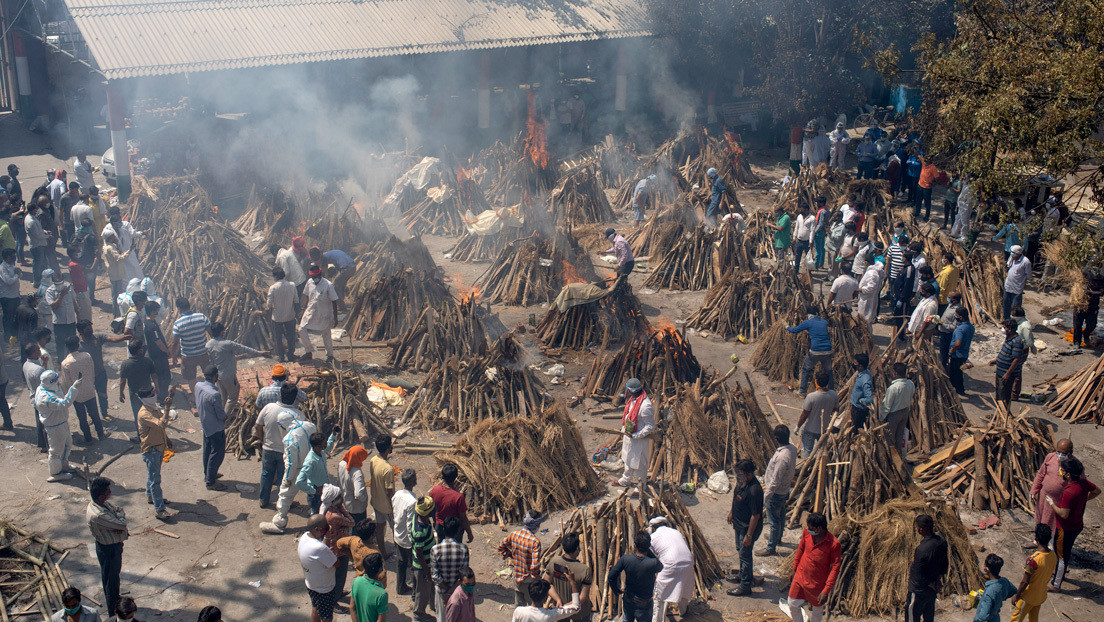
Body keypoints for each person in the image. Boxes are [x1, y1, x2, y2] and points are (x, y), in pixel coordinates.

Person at [1047, 456, 1099, 591]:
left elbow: (1063, 513)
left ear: (1068, 474)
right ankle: (1060, 574)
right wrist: (1083, 500)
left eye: (1062, 470)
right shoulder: (1083, 484)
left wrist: (1052, 504)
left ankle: (1055, 584)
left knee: (1061, 556)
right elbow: (1097, 491)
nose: (1060, 472)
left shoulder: (1069, 492)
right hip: (1077, 525)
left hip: (1065, 528)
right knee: (1066, 552)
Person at [786, 512, 841, 622]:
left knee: (817, 610)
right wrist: (794, 568)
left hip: (817, 582)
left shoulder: (833, 544)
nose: (808, 529)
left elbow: (835, 568)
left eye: (811, 527)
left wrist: (826, 590)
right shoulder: (807, 532)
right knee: (792, 603)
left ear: (818, 529)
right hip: (800, 576)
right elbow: (801, 549)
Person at [254, 383, 303, 508]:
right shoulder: (297, 414)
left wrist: (261, 440)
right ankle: (284, 503)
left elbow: (258, 425)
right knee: (283, 477)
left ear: (280, 394)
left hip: (268, 448)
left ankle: (263, 500)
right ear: (294, 398)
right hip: (285, 451)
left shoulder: (268, 407)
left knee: (266, 474)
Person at [87, 477, 127, 616]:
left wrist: (118, 519)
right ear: (101, 496)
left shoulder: (103, 504)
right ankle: (113, 612)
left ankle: (115, 600)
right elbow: (122, 524)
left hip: (113, 546)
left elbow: (118, 510)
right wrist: (119, 520)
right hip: (108, 550)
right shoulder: (98, 515)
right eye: (108, 491)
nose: (110, 493)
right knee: (111, 582)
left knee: (113, 577)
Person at [206, 320, 266, 411]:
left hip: (217, 375)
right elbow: (245, 349)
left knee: (223, 397)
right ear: (222, 332)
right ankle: (225, 418)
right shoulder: (228, 344)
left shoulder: (208, 344)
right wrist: (260, 353)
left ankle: (220, 415)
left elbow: (210, 360)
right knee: (233, 397)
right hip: (229, 375)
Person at [36, 369, 81, 481]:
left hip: (61, 423)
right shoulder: (46, 397)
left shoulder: (45, 388)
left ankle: (64, 466)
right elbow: (64, 403)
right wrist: (74, 388)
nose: (58, 381)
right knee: (56, 451)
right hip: (55, 426)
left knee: (67, 444)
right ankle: (55, 474)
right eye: (55, 380)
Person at [727, 459, 764, 596]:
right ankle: (741, 575)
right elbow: (735, 496)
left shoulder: (754, 490)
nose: (738, 476)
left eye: (741, 473)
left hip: (747, 528)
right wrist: (731, 512)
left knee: (745, 555)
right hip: (739, 524)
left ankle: (745, 586)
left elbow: (756, 516)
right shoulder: (742, 483)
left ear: (749, 474)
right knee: (740, 551)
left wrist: (749, 536)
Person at [136, 386, 173, 520]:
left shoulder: (153, 408)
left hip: (158, 447)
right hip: (151, 450)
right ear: (146, 397)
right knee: (155, 480)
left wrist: (167, 439)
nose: (155, 395)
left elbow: (160, 430)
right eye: (152, 394)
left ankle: (151, 497)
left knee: (151, 475)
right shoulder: (144, 413)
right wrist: (167, 407)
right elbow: (161, 424)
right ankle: (160, 509)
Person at [760, 426, 797, 557]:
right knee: (781, 515)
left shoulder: (782, 457)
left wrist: (766, 496)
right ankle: (778, 538)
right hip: (784, 489)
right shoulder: (792, 449)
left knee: (773, 521)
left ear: (776, 438)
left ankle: (771, 547)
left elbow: (775, 480)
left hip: (776, 492)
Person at [612, 378, 654, 494]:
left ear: (631, 390)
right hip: (628, 437)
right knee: (628, 459)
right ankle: (625, 480)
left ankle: (641, 485)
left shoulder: (646, 406)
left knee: (640, 463)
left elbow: (650, 426)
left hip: (638, 440)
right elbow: (628, 417)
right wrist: (623, 431)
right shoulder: (633, 400)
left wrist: (636, 435)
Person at [608, 531, 662, 622]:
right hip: (645, 603)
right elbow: (660, 566)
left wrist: (617, 590)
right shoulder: (653, 563)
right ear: (648, 546)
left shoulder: (626, 559)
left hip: (629, 600)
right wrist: (648, 550)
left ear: (634, 545)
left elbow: (611, 577)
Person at [648, 516, 695, 620]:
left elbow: (649, 554)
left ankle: (657, 620)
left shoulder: (653, 536)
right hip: (688, 562)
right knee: (684, 587)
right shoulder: (676, 532)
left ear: (653, 527)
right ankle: (683, 611)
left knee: (660, 595)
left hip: (670, 564)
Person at [60, 334, 103, 443]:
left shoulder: (65, 363)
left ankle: (88, 438)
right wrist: (91, 383)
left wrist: (68, 395)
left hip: (77, 395)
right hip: (89, 390)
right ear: (78, 345)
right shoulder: (87, 356)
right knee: (94, 414)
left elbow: (66, 382)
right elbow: (92, 371)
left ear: (67, 346)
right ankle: (101, 434)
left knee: (82, 417)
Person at [905, 514, 948, 622]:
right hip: (932, 589)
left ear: (921, 529)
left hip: (919, 591)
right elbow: (945, 564)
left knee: (912, 618)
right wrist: (935, 581)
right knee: (929, 617)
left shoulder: (921, 550)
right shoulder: (941, 542)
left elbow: (918, 573)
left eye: (917, 527)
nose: (916, 528)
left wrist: (927, 583)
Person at [543, 532, 593, 622]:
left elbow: (546, 584)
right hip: (580, 613)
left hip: (560, 612)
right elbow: (583, 598)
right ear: (577, 549)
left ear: (563, 547)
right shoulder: (584, 569)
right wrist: (567, 605)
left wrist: (558, 601)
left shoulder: (554, 562)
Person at [1011, 524, 1056, 622]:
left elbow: (1025, 581)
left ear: (1036, 538)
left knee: (1016, 619)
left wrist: (1017, 596)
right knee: (1033, 619)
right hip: (1040, 595)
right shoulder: (1053, 556)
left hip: (1028, 597)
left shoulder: (1033, 560)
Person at [170, 297, 211, 407]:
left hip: (188, 355)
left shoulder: (178, 324)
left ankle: (196, 398)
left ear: (179, 308)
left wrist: (173, 356)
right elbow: (211, 332)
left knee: (191, 378)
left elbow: (175, 343)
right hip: (203, 352)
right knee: (208, 374)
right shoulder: (202, 317)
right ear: (189, 305)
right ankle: (211, 393)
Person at [300, 514, 340, 622]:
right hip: (324, 589)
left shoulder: (304, 537)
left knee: (316, 608)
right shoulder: (320, 548)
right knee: (327, 617)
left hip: (311, 584)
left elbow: (322, 551)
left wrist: (326, 536)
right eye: (325, 530)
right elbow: (336, 563)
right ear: (317, 529)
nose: (326, 531)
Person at [500, 510, 544, 605]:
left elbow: (501, 546)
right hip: (528, 581)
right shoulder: (535, 542)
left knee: (519, 606)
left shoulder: (514, 534)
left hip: (516, 577)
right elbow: (535, 565)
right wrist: (535, 575)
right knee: (533, 607)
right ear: (536, 525)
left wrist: (510, 555)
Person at [195, 365, 228, 490]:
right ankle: (210, 481)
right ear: (215, 376)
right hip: (216, 428)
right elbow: (220, 414)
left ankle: (208, 474)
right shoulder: (214, 394)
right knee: (217, 454)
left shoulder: (198, 386)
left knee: (207, 450)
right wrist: (226, 417)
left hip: (206, 425)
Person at [432, 517, 470, 622]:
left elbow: (435, 576)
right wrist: (451, 591)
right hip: (457, 591)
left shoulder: (435, 550)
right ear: (457, 532)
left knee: (442, 618)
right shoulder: (463, 549)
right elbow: (464, 575)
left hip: (441, 591)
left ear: (443, 530)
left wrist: (446, 592)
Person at [787, 306, 832, 394]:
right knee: (829, 372)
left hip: (815, 350)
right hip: (828, 350)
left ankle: (802, 392)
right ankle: (831, 392)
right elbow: (818, 332)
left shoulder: (807, 322)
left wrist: (787, 327)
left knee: (805, 369)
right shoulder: (824, 322)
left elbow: (794, 330)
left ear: (809, 315)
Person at [1031, 439, 1073, 533]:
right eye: (1058, 452)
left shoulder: (1075, 465)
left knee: (1053, 523)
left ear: (1070, 452)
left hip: (1059, 501)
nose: (1060, 455)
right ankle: (1038, 540)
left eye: (1064, 453)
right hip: (1044, 496)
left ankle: (1049, 543)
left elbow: (1079, 485)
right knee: (1040, 519)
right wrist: (1034, 490)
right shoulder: (1050, 457)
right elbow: (1041, 474)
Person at [321, 484, 356, 596]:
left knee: (335, 576)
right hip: (338, 550)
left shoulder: (326, 509)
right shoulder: (335, 516)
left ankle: (338, 592)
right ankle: (335, 598)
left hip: (332, 547)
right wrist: (343, 510)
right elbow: (351, 522)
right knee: (340, 575)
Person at [299, 264, 339, 362]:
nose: (314, 278)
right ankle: (309, 351)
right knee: (301, 329)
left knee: (326, 335)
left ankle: (330, 355)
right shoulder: (309, 282)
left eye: (316, 277)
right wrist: (303, 308)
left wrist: (335, 317)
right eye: (313, 277)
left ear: (320, 275)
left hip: (324, 314)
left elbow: (334, 301)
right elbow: (307, 296)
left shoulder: (328, 285)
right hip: (311, 311)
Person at [118, 340, 157, 439]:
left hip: (135, 395)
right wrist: (157, 388)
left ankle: (140, 436)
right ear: (139, 351)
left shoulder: (126, 364)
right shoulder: (148, 361)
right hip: (148, 393)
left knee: (138, 415)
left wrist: (121, 393)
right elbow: (154, 376)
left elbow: (123, 381)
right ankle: (152, 434)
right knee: (150, 413)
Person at [336, 519, 388, 587]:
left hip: (360, 580)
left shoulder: (354, 541)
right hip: (372, 584)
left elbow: (339, 543)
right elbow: (382, 575)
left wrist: (352, 558)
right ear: (372, 535)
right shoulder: (374, 553)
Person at [297, 429, 339, 513]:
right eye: (324, 443)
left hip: (324, 490)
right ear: (318, 446)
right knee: (318, 517)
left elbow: (329, 447)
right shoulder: (310, 461)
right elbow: (299, 482)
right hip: (315, 496)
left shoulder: (321, 452)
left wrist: (333, 434)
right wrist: (314, 491)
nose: (326, 444)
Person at [430, 464, 474, 542]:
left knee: (441, 548)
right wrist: (469, 533)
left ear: (442, 476)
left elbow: (432, 508)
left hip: (440, 526)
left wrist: (434, 521)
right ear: (456, 477)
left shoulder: (435, 490)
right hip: (455, 529)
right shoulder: (458, 497)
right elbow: (463, 517)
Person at [989, 320, 1027, 408]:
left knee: (1004, 395)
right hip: (1000, 371)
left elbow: (1016, 359)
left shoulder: (1017, 341)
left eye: (1004, 328)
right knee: (999, 394)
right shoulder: (1008, 338)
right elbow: (1006, 353)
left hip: (1006, 373)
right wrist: (996, 360)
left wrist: (1008, 374)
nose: (1003, 329)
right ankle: (999, 413)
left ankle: (1005, 414)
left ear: (1010, 329)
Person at [393, 468, 419, 594]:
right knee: (413, 565)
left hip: (398, 534)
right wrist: (414, 541)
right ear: (414, 481)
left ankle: (400, 586)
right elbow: (410, 525)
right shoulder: (413, 502)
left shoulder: (397, 494)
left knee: (401, 563)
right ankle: (414, 590)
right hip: (407, 540)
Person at [798, 371, 836, 456]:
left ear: (816, 381)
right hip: (824, 429)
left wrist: (798, 426)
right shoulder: (833, 395)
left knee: (808, 450)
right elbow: (836, 410)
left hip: (810, 429)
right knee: (822, 451)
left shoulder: (811, 397)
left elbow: (804, 415)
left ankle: (807, 467)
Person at [881, 362, 915, 459]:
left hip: (894, 414)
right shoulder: (910, 384)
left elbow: (887, 406)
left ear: (895, 373)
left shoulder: (893, 388)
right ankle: (899, 456)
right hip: (905, 412)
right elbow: (912, 395)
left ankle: (891, 458)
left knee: (890, 437)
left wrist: (882, 418)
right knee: (899, 435)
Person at [77, 320, 110, 419]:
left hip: (100, 373)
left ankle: (104, 413)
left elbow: (112, 339)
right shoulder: (77, 344)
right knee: (89, 398)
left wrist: (125, 337)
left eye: (91, 328)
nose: (91, 330)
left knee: (103, 395)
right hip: (87, 377)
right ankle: (92, 416)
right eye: (88, 329)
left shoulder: (97, 338)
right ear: (81, 331)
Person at [412, 496, 438, 618]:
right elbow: (419, 553)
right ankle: (419, 614)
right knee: (422, 593)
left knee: (430, 588)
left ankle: (434, 606)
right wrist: (427, 571)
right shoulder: (420, 531)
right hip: (423, 567)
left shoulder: (419, 518)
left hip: (428, 563)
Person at [512, 576, 581, 622]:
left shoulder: (519, 611)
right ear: (545, 598)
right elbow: (576, 607)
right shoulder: (550, 614)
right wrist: (573, 583)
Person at [101, 208, 142, 281]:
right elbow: (105, 240)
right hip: (118, 256)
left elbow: (132, 234)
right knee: (123, 274)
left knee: (135, 269)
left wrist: (141, 233)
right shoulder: (108, 229)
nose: (121, 223)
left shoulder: (124, 229)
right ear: (114, 223)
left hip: (128, 252)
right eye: (119, 222)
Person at [267, 266, 299, 361]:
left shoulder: (272, 288)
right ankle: (290, 355)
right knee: (291, 337)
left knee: (278, 338)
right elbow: (296, 300)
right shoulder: (292, 285)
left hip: (277, 318)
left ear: (275, 276)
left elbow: (269, 305)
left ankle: (281, 356)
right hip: (290, 316)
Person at [142, 301, 172, 401]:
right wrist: (167, 351)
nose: (157, 313)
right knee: (165, 378)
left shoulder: (149, 322)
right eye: (156, 311)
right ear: (152, 311)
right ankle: (163, 398)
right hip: (158, 356)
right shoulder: (151, 326)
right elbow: (158, 341)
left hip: (155, 355)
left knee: (160, 377)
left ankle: (161, 396)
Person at [974, 554, 1016, 622]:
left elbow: (983, 616)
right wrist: (1002, 597)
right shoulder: (1004, 581)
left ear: (986, 569)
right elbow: (1014, 590)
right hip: (996, 617)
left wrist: (976, 619)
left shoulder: (989, 591)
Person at [22, 342, 49, 449]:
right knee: (46, 425)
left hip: (34, 397)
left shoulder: (26, 365)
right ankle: (47, 447)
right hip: (42, 399)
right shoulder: (38, 370)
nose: (40, 352)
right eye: (38, 350)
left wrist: (44, 363)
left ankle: (42, 444)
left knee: (40, 423)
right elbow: (46, 382)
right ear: (34, 353)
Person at [43, 269, 77, 350]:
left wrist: (78, 315)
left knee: (72, 342)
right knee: (61, 343)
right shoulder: (50, 291)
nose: (58, 279)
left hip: (71, 320)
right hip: (60, 323)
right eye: (55, 278)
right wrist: (61, 295)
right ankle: (61, 360)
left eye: (59, 277)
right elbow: (53, 306)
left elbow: (73, 301)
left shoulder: (68, 287)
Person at [351, 553, 389, 622]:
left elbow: (352, 608)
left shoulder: (357, 581)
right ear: (380, 569)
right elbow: (381, 620)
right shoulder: (382, 594)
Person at [338, 444, 370, 522]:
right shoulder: (357, 473)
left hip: (346, 502)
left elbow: (339, 481)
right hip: (357, 508)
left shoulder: (341, 464)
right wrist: (364, 499)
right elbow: (358, 494)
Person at [101, 231, 129, 316]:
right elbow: (120, 258)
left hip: (114, 273)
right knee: (117, 295)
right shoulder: (110, 248)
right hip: (116, 274)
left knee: (115, 294)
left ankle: (116, 313)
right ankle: (117, 314)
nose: (115, 237)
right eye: (113, 236)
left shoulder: (107, 247)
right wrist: (130, 250)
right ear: (109, 238)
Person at [1072, 268, 1103, 347]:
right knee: (1077, 323)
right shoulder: (1084, 273)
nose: (1096, 284)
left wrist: (1093, 292)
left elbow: (1102, 291)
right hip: (1081, 303)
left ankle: (1086, 334)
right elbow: (1078, 284)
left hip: (1093, 305)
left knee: (1092, 324)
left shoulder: (1102, 277)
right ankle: (1077, 342)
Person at [947, 307, 974, 395]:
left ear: (961, 317)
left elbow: (958, 343)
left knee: (954, 374)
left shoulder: (960, 329)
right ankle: (960, 390)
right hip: (964, 353)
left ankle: (956, 391)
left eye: (956, 315)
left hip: (957, 355)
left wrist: (952, 350)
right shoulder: (970, 327)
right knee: (959, 373)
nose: (955, 316)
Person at [1011, 307, 1036, 398]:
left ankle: (1014, 394)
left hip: (1021, 351)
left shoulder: (1025, 326)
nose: (1011, 316)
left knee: (1016, 372)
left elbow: (1028, 342)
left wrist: (1019, 345)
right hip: (1016, 349)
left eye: (1013, 315)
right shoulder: (1019, 323)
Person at [1003, 246, 1031, 320]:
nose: (1012, 254)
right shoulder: (1012, 258)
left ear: (1019, 254)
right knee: (1006, 305)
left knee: (1016, 307)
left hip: (1017, 288)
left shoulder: (1026, 262)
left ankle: (1016, 322)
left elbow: (1028, 275)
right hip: (1008, 286)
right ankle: (1006, 320)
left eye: (1013, 253)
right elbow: (1008, 266)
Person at [937, 292, 963, 368]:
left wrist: (942, 324)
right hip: (943, 332)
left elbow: (954, 327)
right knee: (942, 353)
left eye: (949, 297)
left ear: (954, 300)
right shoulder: (950, 306)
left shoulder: (957, 311)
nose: (947, 298)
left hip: (948, 335)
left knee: (945, 354)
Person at [25, 202, 48, 286]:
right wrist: (48, 235)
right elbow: (38, 235)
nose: (37, 210)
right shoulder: (31, 221)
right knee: (37, 264)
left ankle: (40, 279)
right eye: (36, 209)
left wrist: (44, 231)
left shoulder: (32, 218)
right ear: (33, 210)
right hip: (37, 245)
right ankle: (36, 281)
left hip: (38, 243)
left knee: (40, 263)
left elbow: (39, 230)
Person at [66, 246, 91, 323]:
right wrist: (96, 260)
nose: (79, 253)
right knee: (85, 312)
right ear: (74, 254)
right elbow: (90, 270)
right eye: (78, 252)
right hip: (81, 291)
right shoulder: (75, 265)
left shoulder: (71, 262)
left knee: (84, 311)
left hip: (80, 289)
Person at [856, 258, 885, 325]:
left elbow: (871, 288)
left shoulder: (872, 274)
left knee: (865, 320)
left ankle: (866, 334)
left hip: (867, 300)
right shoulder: (873, 272)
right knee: (864, 319)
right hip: (867, 299)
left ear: (866, 262)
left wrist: (861, 289)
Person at [0, 248, 20, 341]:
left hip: (15, 295)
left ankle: (14, 335)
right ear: (8, 257)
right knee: (8, 317)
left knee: (15, 316)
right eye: (12, 256)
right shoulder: (2, 268)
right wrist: (16, 275)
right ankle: (7, 336)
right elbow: (8, 281)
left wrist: (18, 273)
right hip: (7, 297)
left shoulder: (11, 265)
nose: (14, 258)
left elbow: (19, 275)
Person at [849, 353, 874, 429]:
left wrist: (860, 401)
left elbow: (869, 399)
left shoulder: (865, 380)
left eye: (855, 363)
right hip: (856, 408)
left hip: (859, 410)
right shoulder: (864, 373)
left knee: (856, 429)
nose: (854, 365)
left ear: (860, 366)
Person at [792, 203, 815, 275]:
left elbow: (812, 230)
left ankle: (808, 272)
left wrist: (811, 241)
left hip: (807, 241)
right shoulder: (799, 217)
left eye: (803, 209)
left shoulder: (812, 218)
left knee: (808, 258)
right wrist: (794, 237)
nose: (801, 210)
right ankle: (796, 271)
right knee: (797, 256)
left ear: (807, 210)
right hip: (799, 240)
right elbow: (796, 227)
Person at [812, 197, 830, 269]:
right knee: (822, 248)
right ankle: (821, 264)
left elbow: (820, 223)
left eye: (818, 203)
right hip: (823, 231)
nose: (817, 204)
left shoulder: (822, 212)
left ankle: (816, 265)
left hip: (819, 232)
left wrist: (814, 232)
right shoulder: (827, 211)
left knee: (818, 250)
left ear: (821, 203)